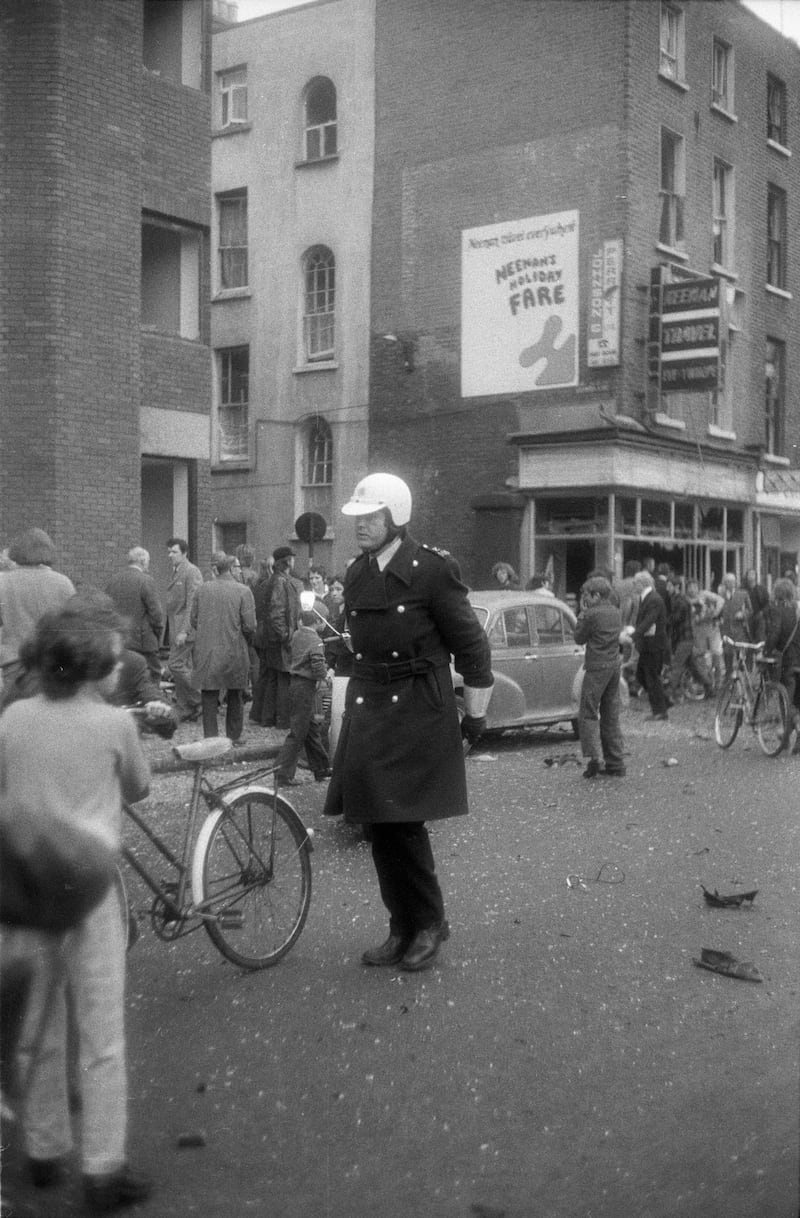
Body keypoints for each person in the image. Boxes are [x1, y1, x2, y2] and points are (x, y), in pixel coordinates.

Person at [0, 602, 152, 1211]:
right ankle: (102, 1169)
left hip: (23, 889)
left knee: (36, 1025)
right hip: (89, 892)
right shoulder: (114, 725)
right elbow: (138, 787)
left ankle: (42, 1150)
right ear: (92, 667)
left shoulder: (12, 720)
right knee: (100, 1028)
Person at [323, 473, 493, 972]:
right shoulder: (356, 573)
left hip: (419, 706)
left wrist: (475, 718)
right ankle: (400, 926)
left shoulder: (432, 571)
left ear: (396, 517)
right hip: (371, 704)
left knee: (405, 823)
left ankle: (429, 923)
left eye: (371, 518)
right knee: (377, 821)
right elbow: (360, 643)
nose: (361, 526)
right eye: (357, 518)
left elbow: (473, 648)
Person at [0, 527, 75, 711]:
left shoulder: (3, 583)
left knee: (11, 719)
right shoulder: (63, 583)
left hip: (13, 663)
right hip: (53, 664)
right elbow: (73, 628)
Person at [189, 552, 256, 744]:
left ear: (216, 569)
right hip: (234, 649)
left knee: (209, 694)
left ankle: (210, 738)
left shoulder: (202, 590)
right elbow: (250, 625)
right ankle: (233, 737)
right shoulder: (244, 591)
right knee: (235, 693)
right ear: (231, 569)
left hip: (207, 650)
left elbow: (194, 619)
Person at [573, 576, 626, 778]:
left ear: (595, 595)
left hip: (596, 667)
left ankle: (595, 759)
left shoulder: (591, 614)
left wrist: (582, 612)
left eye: (586, 595)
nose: (585, 598)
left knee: (588, 713)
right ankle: (616, 761)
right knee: (611, 714)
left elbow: (579, 637)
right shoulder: (615, 612)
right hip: (614, 666)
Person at [274, 605, 331, 785]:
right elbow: (317, 664)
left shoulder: (297, 635)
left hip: (295, 684)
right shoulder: (316, 640)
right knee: (298, 732)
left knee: (311, 728)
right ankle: (282, 773)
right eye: (324, 621)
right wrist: (325, 677)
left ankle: (321, 768)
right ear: (318, 621)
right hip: (306, 687)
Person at [104, 546, 164, 682]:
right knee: (151, 679)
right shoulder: (146, 580)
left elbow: (107, 610)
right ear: (143, 561)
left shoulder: (113, 580)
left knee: (123, 680)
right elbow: (156, 614)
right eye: (148, 561)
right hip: (143, 643)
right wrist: (157, 635)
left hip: (120, 642)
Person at [259, 546, 303, 729]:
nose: (293, 561)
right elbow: (276, 612)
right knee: (283, 678)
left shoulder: (275, 580)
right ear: (287, 561)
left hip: (274, 638)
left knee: (274, 678)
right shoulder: (280, 581)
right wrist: (286, 636)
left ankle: (268, 718)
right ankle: (282, 720)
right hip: (279, 639)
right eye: (292, 558)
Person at [164, 538, 203, 723]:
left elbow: (192, 605)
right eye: (169, 552)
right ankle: (187, 706)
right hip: (175, 627)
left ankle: (200, 697)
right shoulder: (177, 571)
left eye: (174, 552)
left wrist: (185, 631)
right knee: (182, 666)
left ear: (185, 553)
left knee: (175, 665)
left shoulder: (191, 572)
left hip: (184, 630)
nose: (170, 555)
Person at [625, 569, 669, 721]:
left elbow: (648, 621)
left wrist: (634, 635)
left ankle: (660, 711)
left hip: (653, 644)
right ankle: (664, 702)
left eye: (635, 582)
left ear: (642, 583)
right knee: (642, 675)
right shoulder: (647, 598)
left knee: (651, 677)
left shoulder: (653, 599)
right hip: (647, 644)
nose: (633, 585)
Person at [667, 575, 714, 700]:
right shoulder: (679, 599)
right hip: (686, 638)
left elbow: (675, 619)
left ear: (676, 586)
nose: (667, 588)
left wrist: (664, 621)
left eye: (669, 586)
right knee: (694, 667)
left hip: (684, 639)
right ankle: (709, 687)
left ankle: (672, 694)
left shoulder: (680, 601)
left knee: (676, 666)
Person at [764, 578, 800, 736]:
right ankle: (794, 739)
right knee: (797, 700)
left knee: (786, 698)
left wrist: (766, 651)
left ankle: (789, 731)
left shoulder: (779, 610)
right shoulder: (798, 608)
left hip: (788, 661)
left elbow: (775, 634)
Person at [685, 579, 724, 693]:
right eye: (689, 587)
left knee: (716, 656)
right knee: (701, 659)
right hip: (698, 633)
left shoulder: (705, 594)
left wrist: (715, 613)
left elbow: (721, 600)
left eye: (694, 586)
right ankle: (708, 684)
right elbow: (692, 618)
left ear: (698, 587)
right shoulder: (686, 600)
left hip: (712, 630)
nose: (692, 589)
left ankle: (718, 683)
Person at [719, 573, 752, 677]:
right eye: (728, 581)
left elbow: (750, 610)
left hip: (739, 631)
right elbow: (717, 611)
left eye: (733, 581)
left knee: (740, 658)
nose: (731, 583)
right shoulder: (720, 596)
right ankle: (728, 681)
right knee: (727, 657)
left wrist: (743, 614)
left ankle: (742, 680)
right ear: (724, 583)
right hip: (726, 631)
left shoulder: (743, 594)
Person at [744, 568, 770, 643]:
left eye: (753, 574)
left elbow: (768, 603)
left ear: (756, 576)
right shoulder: (743, 589)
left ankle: (759, 651)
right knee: (748, 638)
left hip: (759, 616)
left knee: (760, 637)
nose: (751, 576)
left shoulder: (762, 589)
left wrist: (762, 612)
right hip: (747, 617)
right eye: (749, 574)